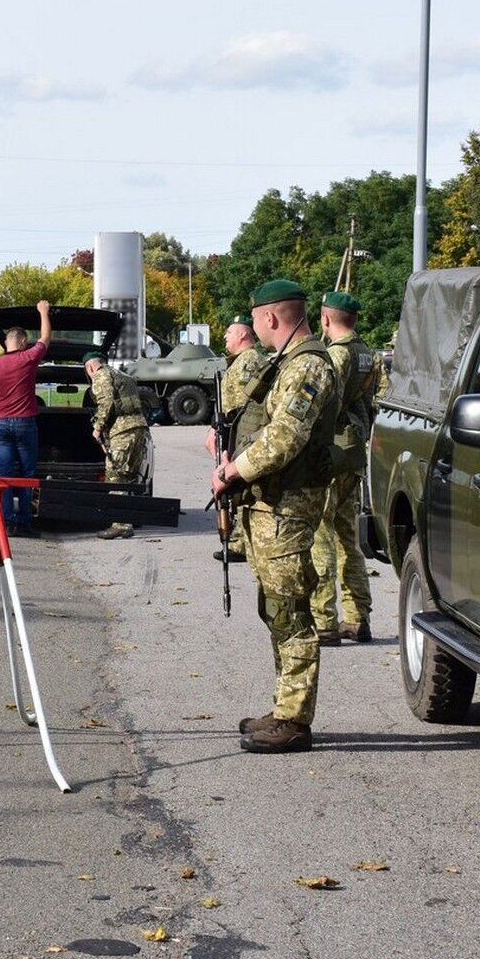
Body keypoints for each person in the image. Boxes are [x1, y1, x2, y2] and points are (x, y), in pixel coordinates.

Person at [209, 279, 339, 754]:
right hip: (270, 504)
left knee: (291, 611)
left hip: (288, 506)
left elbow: (285, 436)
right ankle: (284, 706)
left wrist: (232, 472)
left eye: (256, 320)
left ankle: (294, 720)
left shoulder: (308, 366)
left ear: (269, 317)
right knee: (276, 607)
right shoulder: (288, 363)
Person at [310, 291, 379, 644]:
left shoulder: (336, 354)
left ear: (325, 319)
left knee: (321, 536)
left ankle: (324, 620)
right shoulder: (368, 353)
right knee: (348, 538)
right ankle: (357, 616)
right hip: (354, 452)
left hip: (333, 451)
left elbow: (322, 402)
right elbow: (371, 402)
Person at [0, 301, 53, 538]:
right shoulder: (28, 358)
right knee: (28, 475)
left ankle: (7, 522)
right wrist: (43, 312)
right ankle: (25, 523)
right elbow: (46, 337)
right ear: (21, 341)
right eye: (26, 341)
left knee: (5, 474)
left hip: (0, 426)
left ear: (6, 342)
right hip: (24, 423)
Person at [210, 315, 264, 564]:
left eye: (229, 332)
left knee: (239, 483)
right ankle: (238, 538)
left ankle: (241, 542)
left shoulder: (249, 361)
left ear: (243, 335)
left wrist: (223, 428)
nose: (225, 336)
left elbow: (244, 403)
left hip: (241, 431)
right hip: (234, 430)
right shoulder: (240, 361)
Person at [83, 351, 151, 539]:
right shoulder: (122, 375)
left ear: (90, 367)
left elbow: (106, 404)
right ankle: (128, 519)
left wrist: (97, 428)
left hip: (122, 431)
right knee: (129, 475)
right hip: (138, 428)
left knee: (115, 475)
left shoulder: (101, 376)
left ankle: (120, 524)